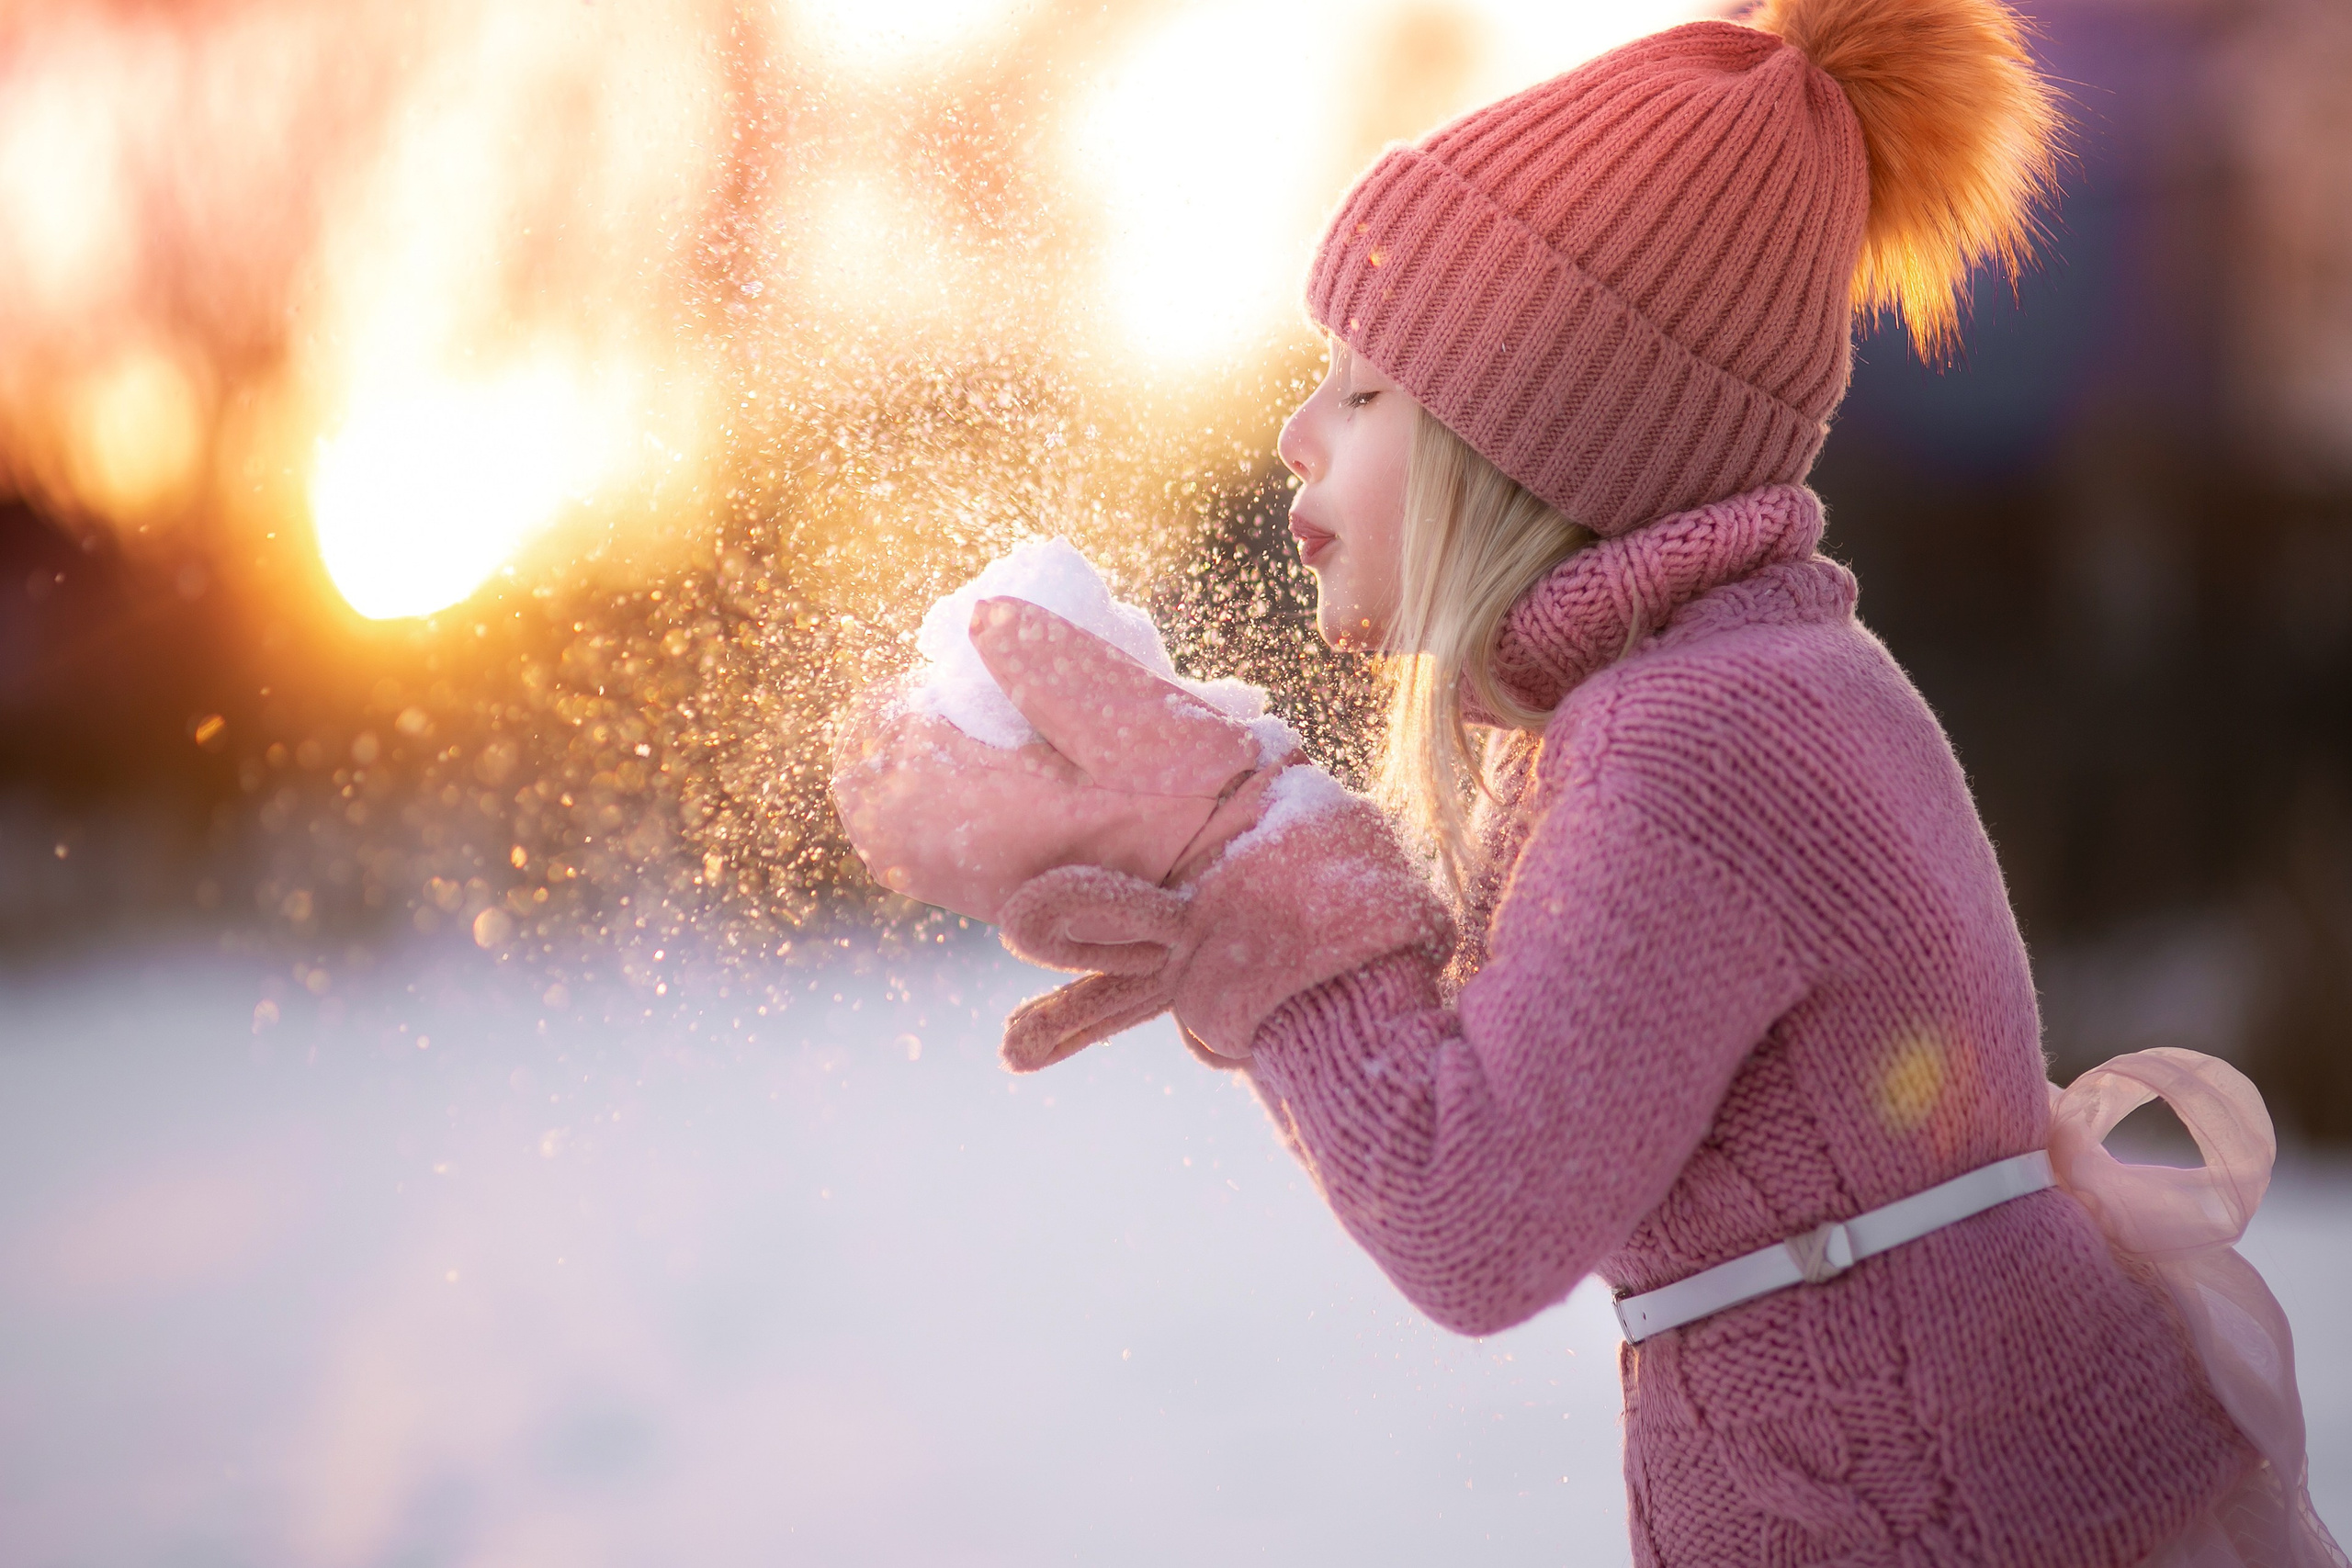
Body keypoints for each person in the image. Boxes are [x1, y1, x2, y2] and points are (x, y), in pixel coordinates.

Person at [831, 0, 2346, 1561]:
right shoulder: (1728, 688)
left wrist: (1244, 849)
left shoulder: (1695, 741)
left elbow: (1473, 1214)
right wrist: (1249, 916)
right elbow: (1529, 1079)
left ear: (1538, 435)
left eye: (1364, 390)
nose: (1296, 434)